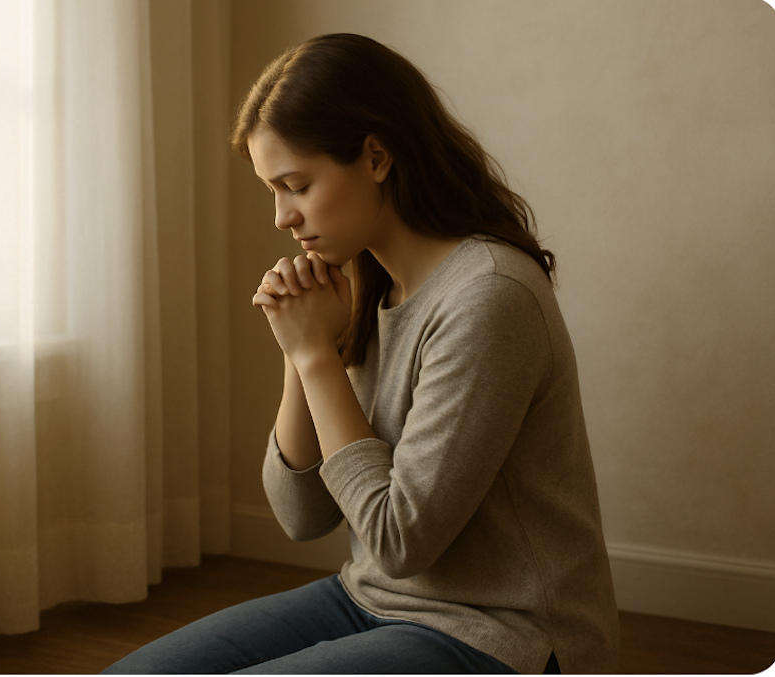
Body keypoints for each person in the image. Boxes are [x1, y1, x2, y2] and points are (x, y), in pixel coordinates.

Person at [103, 33, 619, 674]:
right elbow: (301, 514)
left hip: (502, 631)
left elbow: (400, 539)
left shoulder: (490, 296)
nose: (281, 217)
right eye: (273, 189)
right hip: (371, 598)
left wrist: (317, 355)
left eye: (295, 184)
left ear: (376, 156)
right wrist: (302, 354)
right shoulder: (369, 283)